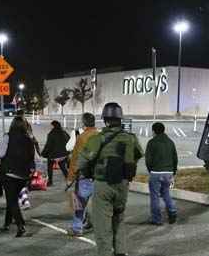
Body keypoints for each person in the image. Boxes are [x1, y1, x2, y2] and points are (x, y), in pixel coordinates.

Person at [77, 102, 143, 256]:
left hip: (103, 185)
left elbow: (82, 162)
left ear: (105, 120)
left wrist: (88, 172)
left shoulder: (98, 138)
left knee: (102, 226)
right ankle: (121, 252)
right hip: (123, 185)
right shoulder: (130, 138)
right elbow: (138, 154)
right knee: (119, 220)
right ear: (120, 119)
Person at [0, 116, 35, 237]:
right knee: (11, 199)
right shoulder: (28, 139)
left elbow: (0, 153)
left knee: (12, 200)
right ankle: (7, 223)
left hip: (9, 173)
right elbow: (31, 157)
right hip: (23, 174)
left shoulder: (8, 136)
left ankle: (20, 225)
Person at [66, 113, 99, 236]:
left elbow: (75, 160)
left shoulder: (82, 137)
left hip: (84, 176)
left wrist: (70, 178)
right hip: (99, 177)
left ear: (84, 123)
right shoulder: (100, 136)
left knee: (79, 204)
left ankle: (76, 228)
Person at [145, 122, 178, 225]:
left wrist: (151, 170)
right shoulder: (170, 142)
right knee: (166, 193)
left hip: (156, 172)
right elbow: (175, 158)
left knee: (154, 196)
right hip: (168, 172)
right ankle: (172, 211)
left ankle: (156, 219)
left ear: (154, 131)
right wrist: (173, 172)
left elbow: (148, 159)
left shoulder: (151, 142)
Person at [41, 120, 70, 186]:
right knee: (62, 165)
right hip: (63, 154)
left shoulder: (51, 134)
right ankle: (68, 178)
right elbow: (69, 141)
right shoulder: (64, 132)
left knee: (49, 166)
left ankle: (50, 181)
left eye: (51, 126)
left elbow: (48, 146)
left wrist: (43, 154)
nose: (50, 127)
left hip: (54, 155)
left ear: (53, 126)